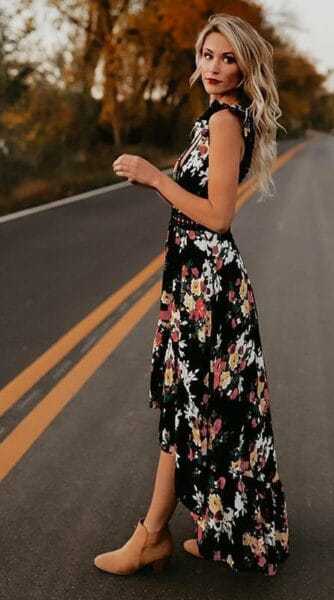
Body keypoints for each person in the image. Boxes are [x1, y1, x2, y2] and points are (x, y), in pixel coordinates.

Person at [93, 13, 289, 577]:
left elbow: (218, 216)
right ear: (196, 58)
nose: (215, 68)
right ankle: (226, 534)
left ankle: (151, 535)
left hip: (211, 289)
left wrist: (157, 177)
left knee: (187, 407)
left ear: (244, 67)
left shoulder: (226, 122)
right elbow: (195, 207)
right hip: (195, 281)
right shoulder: (215, 119)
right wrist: (160, 182)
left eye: (229, 59)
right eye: (208, 55)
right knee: (200, 410)